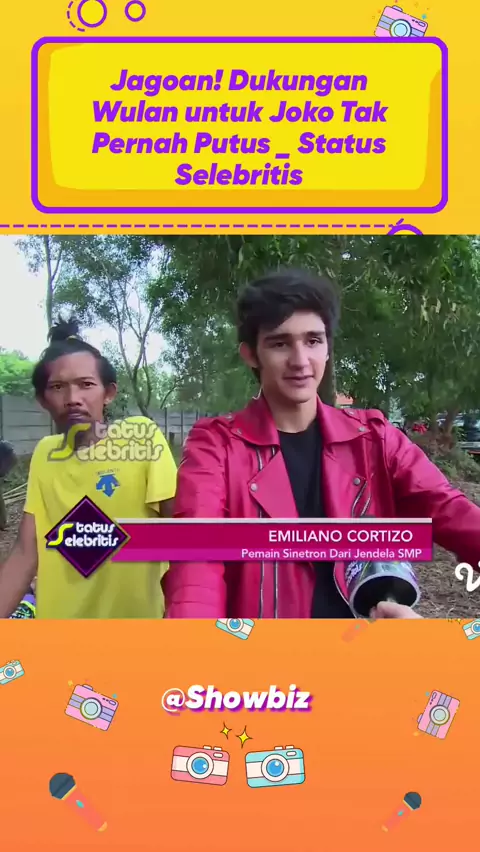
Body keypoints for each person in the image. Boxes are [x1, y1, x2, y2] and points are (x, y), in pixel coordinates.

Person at [163, 268, 480, 620]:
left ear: (328, 348)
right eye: (280, 343)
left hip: (362, 647)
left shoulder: (374, 438)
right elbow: (196, 560)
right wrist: (198, 643)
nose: (300, 361)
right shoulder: (216, 446)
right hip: (262, 651)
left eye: (313, 340)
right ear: (251, 354)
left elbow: (452, 512)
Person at [0, 318, 177, 619]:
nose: (73, 400)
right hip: (60, 632)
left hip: (136, 630)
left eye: (86, 385)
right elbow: (25, 553)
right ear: (42, 400)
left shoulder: (141, 436)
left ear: (108, 393)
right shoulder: (45, 454)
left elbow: (181, 531)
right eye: (57, 387)